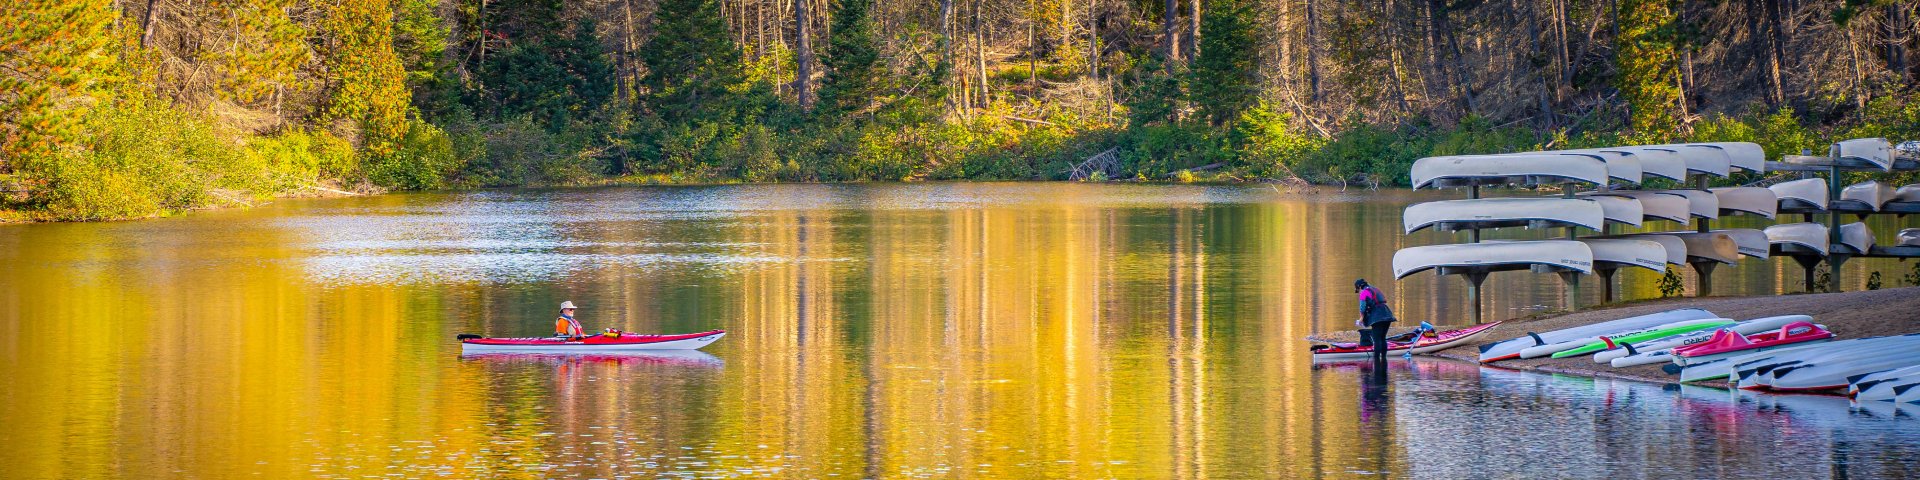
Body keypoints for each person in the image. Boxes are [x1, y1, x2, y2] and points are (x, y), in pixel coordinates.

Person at [1354, 279, 1396, 359]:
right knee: (1382, 338)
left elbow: (1362, 308)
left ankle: (1376, 361)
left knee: (1376, 339)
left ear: (1359, 287)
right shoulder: (1376, 289)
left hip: (1377, 316)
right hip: (1387, 313)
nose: (1359, 292)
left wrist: (1361, 318)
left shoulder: (1364, 292)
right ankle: (1384, 360)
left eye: (1358, 290)